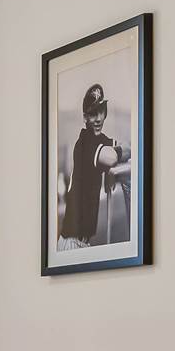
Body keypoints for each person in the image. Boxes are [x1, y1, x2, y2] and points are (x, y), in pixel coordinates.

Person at [55, 81, 130, 248]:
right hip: (71, 242)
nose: (97, 119)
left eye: (100, 112)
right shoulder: (85, 142)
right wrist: (114, 157)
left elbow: (127, 147)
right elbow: (111, 157)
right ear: (85, 118)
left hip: (83, 242)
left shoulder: (100, 140)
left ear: (105, 113)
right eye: (92, 114)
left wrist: (115, 155)